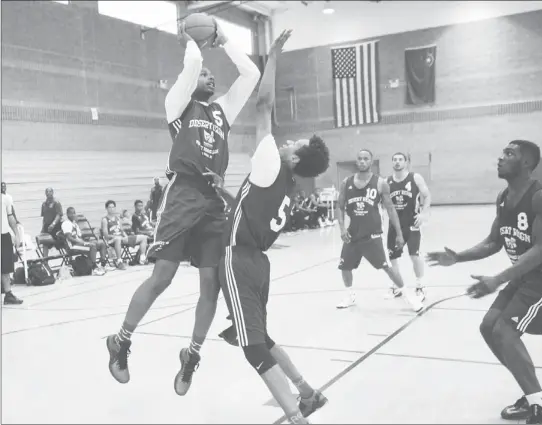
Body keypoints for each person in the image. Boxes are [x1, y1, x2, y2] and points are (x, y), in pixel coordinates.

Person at [106, 18, 260, 392]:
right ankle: (121, 339)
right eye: (204, 75)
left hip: (212, 203)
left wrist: (224, 41)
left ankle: (191, 355)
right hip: (182, 197)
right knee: (162, 277)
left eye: (211, 75)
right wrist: (192, 40)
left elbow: (251, 73)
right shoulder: (176, 105)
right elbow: (191, 65)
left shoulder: (223, 111)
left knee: (211, 284)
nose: (210, 77)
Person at [214, 30, 329, 424]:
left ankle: (297, 417)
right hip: (258, 264)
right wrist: (226, 195)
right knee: (258, 338)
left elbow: (263, 104)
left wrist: (273, 56)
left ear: (296, 160)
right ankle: (307, 390)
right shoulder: (286, 185)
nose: (287, 141)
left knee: (252, 349)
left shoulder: (271, 163)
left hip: (239, 261)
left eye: (294, 143)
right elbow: (252, 214)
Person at [427, 140, 542, 425]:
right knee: (489, 327)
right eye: (502, 153)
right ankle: (534, 396)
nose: (500, 158)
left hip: (541, 277)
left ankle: (539, 408)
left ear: (527, 163)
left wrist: (498, 279)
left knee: (504, 329)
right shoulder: (504, 197)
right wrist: (458, 257)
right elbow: (495, 241)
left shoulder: (540, 196)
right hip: (523, 277)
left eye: (509, 154)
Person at [335, 149, 424, 312]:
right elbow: (339, 207)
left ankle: (408, 296)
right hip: (352, 235)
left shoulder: (380, 183)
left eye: (366, 159)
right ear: (357, 161)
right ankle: (350, 295)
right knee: (345, 267)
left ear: (371, 161)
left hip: (373, 236)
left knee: (388, 267)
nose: (362, 161)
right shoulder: (346, 183)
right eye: (359, 158)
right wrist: (342, 228)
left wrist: (398, 233)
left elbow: (391, 210)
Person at [386, 152, 431, 301]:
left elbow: (427, 195)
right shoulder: (387, 181)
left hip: (412, 223)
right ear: (392, 163)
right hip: (394, 226)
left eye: (400, 159)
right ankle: (397, 286)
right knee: (393, 257)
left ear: (406, 162)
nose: (397, 162)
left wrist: (423, 214)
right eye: (395, 160)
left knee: (414, 255)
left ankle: (420, 286)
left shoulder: (415, 178)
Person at [61, 207, 107, 276]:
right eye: (71, 213)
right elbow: (69, 238)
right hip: (72, 247)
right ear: (67, 214)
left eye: (74, 213)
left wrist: (87, 240)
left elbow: (80, 237)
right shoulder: (66, 223)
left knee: (101, 243)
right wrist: (82, 243)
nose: (73, 215)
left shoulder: (75, 224)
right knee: (92, 246)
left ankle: (102, 265)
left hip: (79, 244)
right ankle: (94, 268)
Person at [1, 191, 23, 305]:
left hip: (3, 235)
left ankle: (8, 295)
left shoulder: (6, 198)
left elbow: (10, 217)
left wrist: (17, 235)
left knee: (5, 267)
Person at [39, 187, 63, 259]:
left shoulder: (56, 202)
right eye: (47, 192)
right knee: (45, 242)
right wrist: (43, 228)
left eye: (50, 191)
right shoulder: (44, 204)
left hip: (56, 226)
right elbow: (44, 218)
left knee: (61, 243)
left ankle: (69, 258)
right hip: (47, 227)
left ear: (52, 192)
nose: (48, 193)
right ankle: (45, 260)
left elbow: (59, 215)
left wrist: (53, 224)